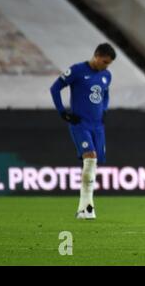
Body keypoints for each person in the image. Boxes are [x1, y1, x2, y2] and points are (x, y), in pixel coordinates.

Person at [50, 43, 115, 219]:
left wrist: (105, 110)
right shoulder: (77, 70)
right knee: (90, 157)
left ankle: (85, 208)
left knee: (94, 164)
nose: (106, 66)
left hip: (97, 126)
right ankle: (86, 208)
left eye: (108, 63)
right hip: (81, 124)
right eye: (104, 61)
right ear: (96, 55)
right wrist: (63, 112)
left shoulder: (106, 75)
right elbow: (55, 88)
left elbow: (105, 94)